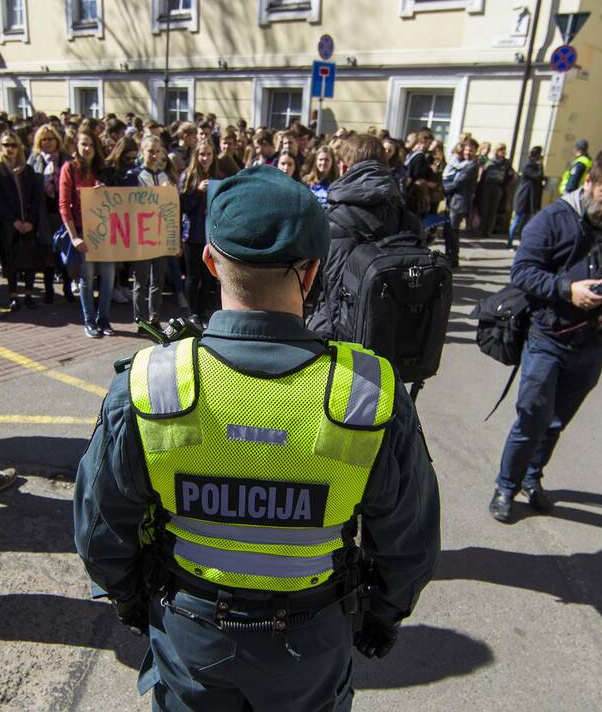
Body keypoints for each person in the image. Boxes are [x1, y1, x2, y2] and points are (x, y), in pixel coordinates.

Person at [74, 163, 440, 711]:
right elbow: (408, 542)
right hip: (311, 642)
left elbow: (100, 527)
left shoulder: (153, 383)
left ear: (209, 262)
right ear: (313, 271)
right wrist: (383, 617)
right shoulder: (369, 392)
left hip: (191, 636)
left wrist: (131, 601)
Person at [490, 147, 602, 523]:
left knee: (556, 421)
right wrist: (568, 290)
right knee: (532, 417)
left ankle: (532, 479)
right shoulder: (553, 219)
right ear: (590, 183)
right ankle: (505, 486)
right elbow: (522, 272)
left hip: (594, 344)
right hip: (548, 336)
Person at [308, 134, 423, 337]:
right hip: (395, 336)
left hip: (342, 336)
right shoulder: (409, 220)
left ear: (343, 168)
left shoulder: (333, 220)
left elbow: (320, 287)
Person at [61, 130, 113, 338]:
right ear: (76, 146)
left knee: (108, 277)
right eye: (83, 144)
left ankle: (104, 319)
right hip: (83, 230)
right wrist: (74, 236)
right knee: (88, 278)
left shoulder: (102, 169)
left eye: (91, 144)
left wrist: (106, 191)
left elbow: (117, 199)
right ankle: (89, 320)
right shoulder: (70, 169)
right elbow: (64, 205)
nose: (87, 148)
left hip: (106, 230)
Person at [0, 131, 46, 310]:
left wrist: (30, 220)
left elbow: (36, 198)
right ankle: (13, 295)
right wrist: (13, 220)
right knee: (10, 258)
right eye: (6, 145)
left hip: (28, 220)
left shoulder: (27, 170)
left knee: (29, 257)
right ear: (1, 147)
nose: (10, 149)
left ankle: (29, 294)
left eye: (13, 145)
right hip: (8, 222)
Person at [130, 134, 173, 325]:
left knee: (158, 280)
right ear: (142, 152)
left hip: (160, 235)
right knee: (141, 280)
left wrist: (169, 192)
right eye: (150, 151)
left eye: (157, 151)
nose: (154, 155)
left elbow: (171, 207)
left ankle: (154, 316)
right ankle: (140, 319)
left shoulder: (165, 176)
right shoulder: (135, 175)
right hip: (142, 234)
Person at [28, 122, 74, 302]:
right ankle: (48, 289)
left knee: (65, 250)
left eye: (51, 139)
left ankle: (67, 288)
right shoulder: (34, 160)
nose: (48, 142)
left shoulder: (66, 159)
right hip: (43, 212)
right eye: (44, 139)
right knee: (47, 251)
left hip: (62, 211)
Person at [178, 139, 220, 325]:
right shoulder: (188, 175)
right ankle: (193, 312)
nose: (205, 158)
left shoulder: (217, 175)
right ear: (196, 155)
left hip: (211, 235)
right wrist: (198, 192)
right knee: (193, 276)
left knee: (208, 277)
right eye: (202, 154)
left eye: (209, 154)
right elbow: (184, 206)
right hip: (192, 235)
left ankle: (203, 311)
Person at [442, 137, 479, 266]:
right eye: (466, 150)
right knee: (448, 230)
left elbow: (459, 182)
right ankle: (449, 255)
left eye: (471, 150)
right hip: (453, 200)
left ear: (475, 151)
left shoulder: (472, 165)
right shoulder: (462, 163)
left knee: (453, 230)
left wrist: (444, 188)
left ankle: (452, 258)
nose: (468, 152)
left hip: (459, 201)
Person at [508, 146, 546, 249]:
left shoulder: (535, 166)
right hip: (524, 198)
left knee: (525, 222)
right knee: (517, 220)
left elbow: (540, 178)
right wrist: (540, 166)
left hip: (531, 199)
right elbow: (537, 176)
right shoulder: (529, 166)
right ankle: (509, 243)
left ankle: (521, 242)